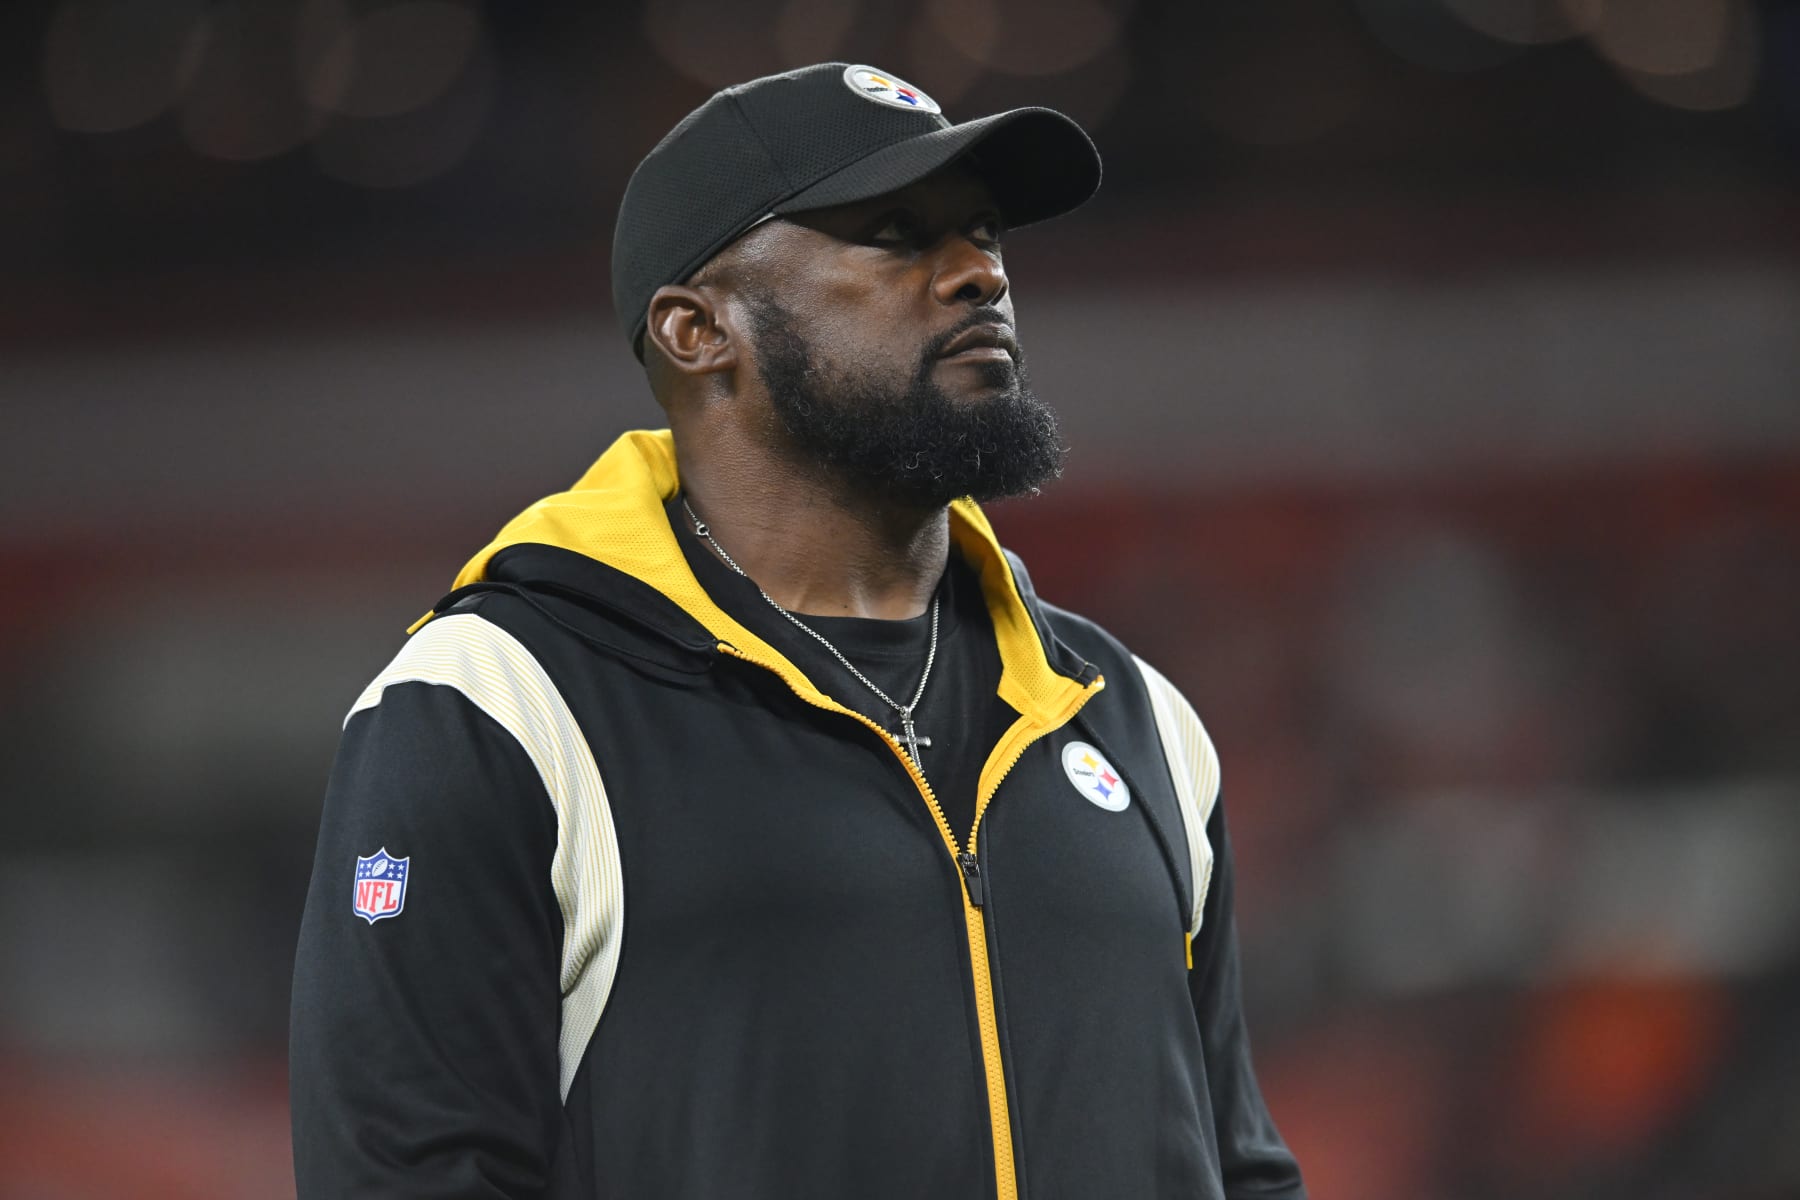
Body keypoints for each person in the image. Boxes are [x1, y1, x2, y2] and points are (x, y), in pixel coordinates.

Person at [289, 61, 1306, 1200]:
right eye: (892, 234)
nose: (980, 274)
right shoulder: (498, 704)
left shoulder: (1132, 716)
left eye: (982, 233)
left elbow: (1236, 1163)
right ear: (696, 330)